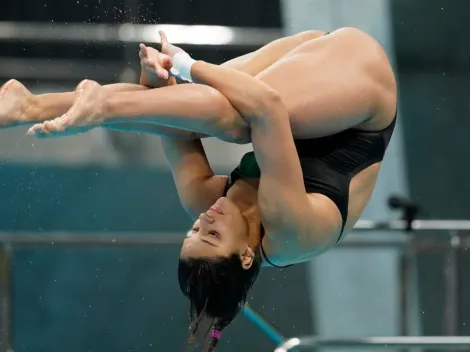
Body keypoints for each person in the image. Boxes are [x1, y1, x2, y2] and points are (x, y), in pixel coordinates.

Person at [0, 28, 397, 351]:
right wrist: (189, 66)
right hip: (360, 74)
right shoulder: (290, 233)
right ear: (245, 255)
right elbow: (267, 109)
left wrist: (158, 82)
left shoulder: (204, 202)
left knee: (194, 117)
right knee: (238, 123)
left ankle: (30, 107)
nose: (205, 219)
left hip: (304, 60)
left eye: (194, 231)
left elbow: (170, 120)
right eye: (211, 234)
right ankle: (97, 109)